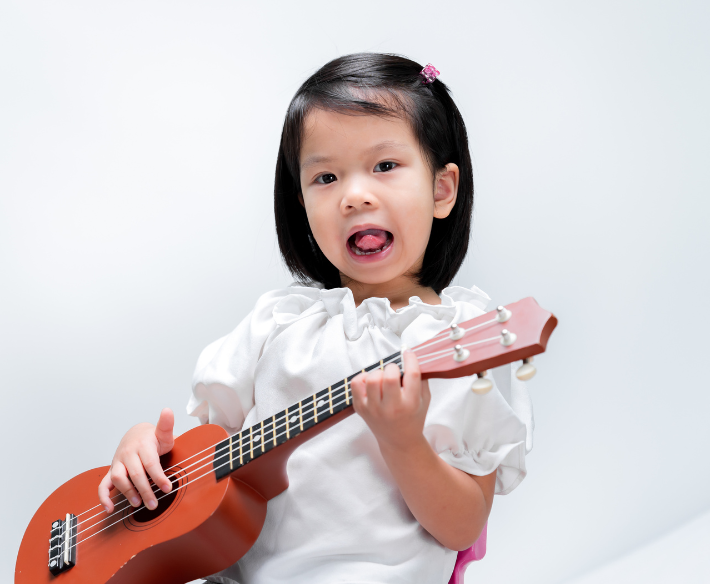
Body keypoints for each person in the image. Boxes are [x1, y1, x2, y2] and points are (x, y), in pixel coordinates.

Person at [96, 53, 533, 584]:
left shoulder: (460, 337)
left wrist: (403, 442)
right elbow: (203, 474)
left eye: (385, 166)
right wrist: (145, 457)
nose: (354, 195)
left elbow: (462, 527)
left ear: (442, 190)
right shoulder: (279, 324)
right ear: (301, 204)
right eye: (325, 176)